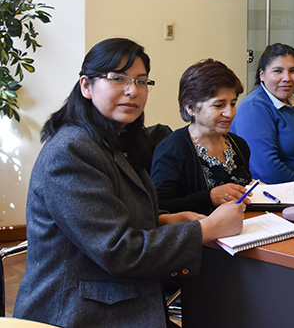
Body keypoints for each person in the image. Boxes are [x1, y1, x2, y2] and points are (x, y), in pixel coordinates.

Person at [14, 38, 246, 328]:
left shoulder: (118, 141)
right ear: (86, 86)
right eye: (118, 79)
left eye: (141, 81)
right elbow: (118, 250)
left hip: (122, 297)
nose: (132, 91)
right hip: (79, 312)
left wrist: (165, 220)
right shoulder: (71, 152)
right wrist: (206, 229)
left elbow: (121, 218)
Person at [151, 59, 252, 215]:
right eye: (219, 105)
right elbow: (159, 207)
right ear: (190, 107)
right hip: (200, 235)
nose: (230, 113)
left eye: (232, 103)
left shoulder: (238, 145)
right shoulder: (172, 150)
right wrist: (209, 197)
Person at [231, 43, 294, 183]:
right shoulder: (253, 108)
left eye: (293, 70)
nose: (287, 78)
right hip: (277, 192)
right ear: (262, 74)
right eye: (278, 71)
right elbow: (267, 169)